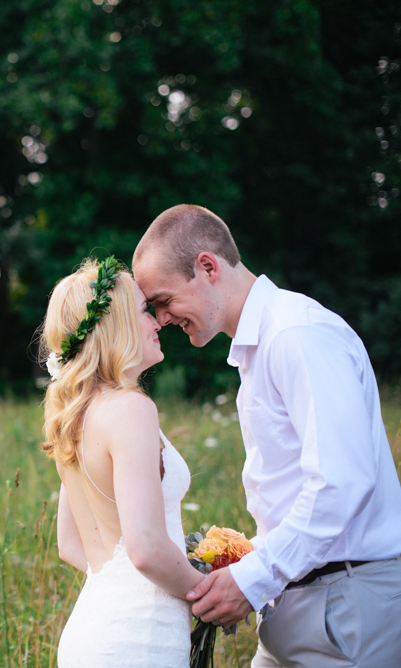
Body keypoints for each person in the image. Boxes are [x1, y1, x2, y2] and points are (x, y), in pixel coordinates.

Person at [133, 204, 401, 668]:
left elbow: (341, 483)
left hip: (347, 605)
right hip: (296, 599)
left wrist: (253, 577)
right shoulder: (258, 349)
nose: (160, 319)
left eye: (163, 300)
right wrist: (246, 560)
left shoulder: (298, 335)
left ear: (208, 267)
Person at [42, 257, 205, 668]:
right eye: (144, 311)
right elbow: (147, 548)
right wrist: (208, 592)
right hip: (139, 639)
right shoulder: (131, 409)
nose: (157, 322)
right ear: (117, 325)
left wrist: (124, 583)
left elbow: (70, 545)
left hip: (93, 631)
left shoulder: (78, 415)